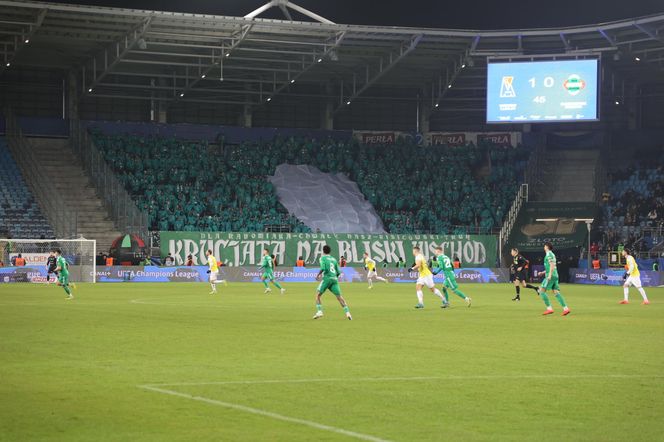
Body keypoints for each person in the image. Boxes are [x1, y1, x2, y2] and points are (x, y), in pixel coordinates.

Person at [313, 244, 352, 320]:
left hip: (327, 279)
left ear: (323, 251)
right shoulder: (334, 259)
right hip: (334, 279)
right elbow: (338, 272)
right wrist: (334, 278)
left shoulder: (322, 258)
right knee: (339, 297)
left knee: (318, 295)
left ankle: (319, 311)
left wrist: (318, 275)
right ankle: (348, 313)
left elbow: (323, 268)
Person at [537, 242, 570, 316]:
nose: (544, 247)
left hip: (551, 276)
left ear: (546, 247)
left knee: (541, 290)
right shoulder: (552, 254)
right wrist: (543, 272)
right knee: (556, 292)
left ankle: (549, 308)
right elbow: (552, 266)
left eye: (544, 246)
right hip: (555, 275)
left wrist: (549, 275)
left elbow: (551, 265)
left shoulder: (548, 254)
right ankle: (566, 308)